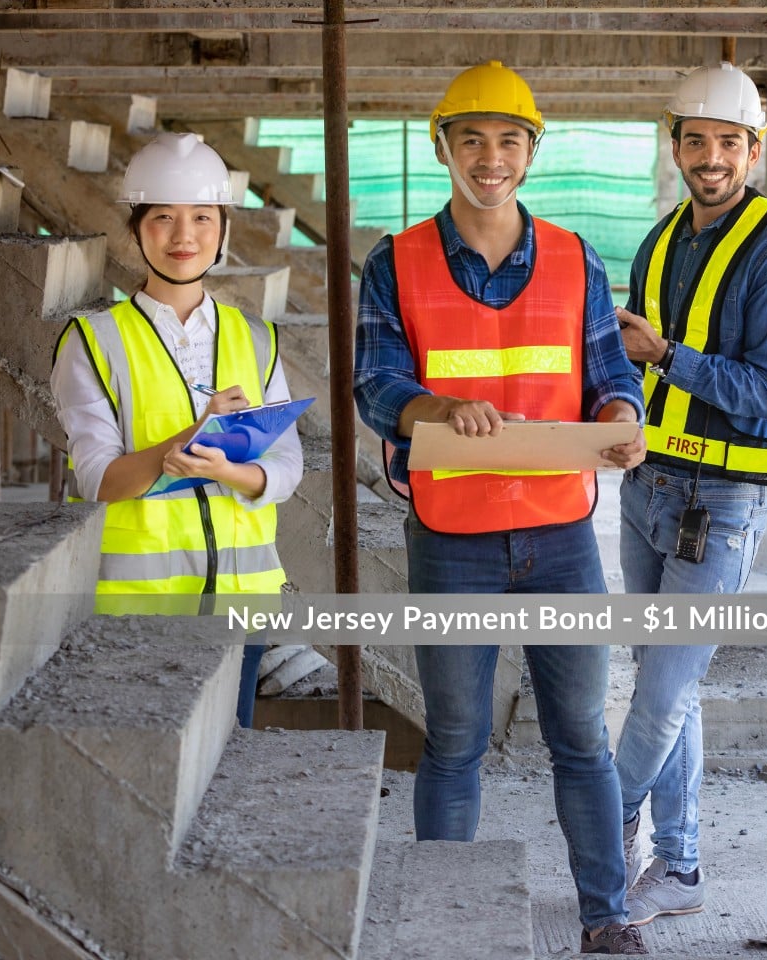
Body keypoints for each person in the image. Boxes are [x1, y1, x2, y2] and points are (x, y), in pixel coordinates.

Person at [352, 61, 650, 955]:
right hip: (453, 538)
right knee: (453, 740)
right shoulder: (394, 261)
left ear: (532, 151)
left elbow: (608, 373)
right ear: (443, 145)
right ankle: (445, 922)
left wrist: (623, 415)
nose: (491, 159)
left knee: (581, 740)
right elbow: (375, 383)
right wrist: (433, 407)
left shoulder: (573, 258)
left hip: (561, 534)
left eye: (509, 141)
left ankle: (607, 917)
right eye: (472, 139)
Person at [613, 61, 767, 926]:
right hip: (647, 486)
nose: (712, 158)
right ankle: (681, 870)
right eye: (697, 140)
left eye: (729, 143)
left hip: (723, 502)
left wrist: (665, 356)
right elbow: (628, 364)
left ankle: (601, 821)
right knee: (672, 690)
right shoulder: (660, 239)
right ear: (676, 147)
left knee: (662, 694)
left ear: (754, 148)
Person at [51, 132, 303, 729]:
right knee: (147, 769)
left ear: (222, 229)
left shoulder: (256, 338)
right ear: (137, 229)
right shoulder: (92, 342)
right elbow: (96, 478)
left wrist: (228, 469)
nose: (184, 236)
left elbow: (287, 465)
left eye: (201, 218)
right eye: (162, 217)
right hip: (139, 608)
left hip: (243, 601)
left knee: (226, 762)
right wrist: (178, 446)